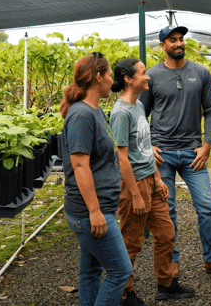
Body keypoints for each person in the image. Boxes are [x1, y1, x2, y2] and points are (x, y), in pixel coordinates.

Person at [138, 25, 211, 279]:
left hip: (193, 154)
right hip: (163, 154)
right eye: (173, 40)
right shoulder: (152, 76)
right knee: (167, 209)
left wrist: (206, 146)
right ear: (162, 45)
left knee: (206, 207)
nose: (179, 43)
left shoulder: (201, 73)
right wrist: (148, 145)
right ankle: (172, 260)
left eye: (181, 39)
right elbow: (140, 114)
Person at [110, 58, 196, 305]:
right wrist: (136, 194)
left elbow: (145, 148)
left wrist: (157, 178)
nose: (148, 77)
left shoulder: (137, 105)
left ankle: (166, 284)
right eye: (143, 73)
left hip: (150, 179)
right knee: (131, 242)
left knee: (166, 233)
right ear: (129, 79)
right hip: (133, 185)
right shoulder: (121, 112)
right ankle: (125, 293)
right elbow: (123, 158)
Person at [60, 52, 132, 306]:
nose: (113, 81)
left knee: (91, 271)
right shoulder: (82, 115)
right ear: (98, 76)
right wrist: (95, 211)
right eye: (110, 75)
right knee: (120, 271)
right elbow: (80, 165)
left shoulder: (95, 110)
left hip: (99, 207)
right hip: (89, 211)